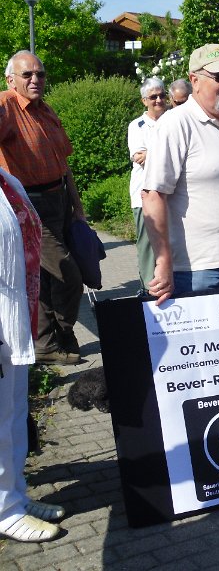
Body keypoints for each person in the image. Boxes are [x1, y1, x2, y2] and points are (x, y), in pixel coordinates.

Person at [142, 44, 219, 306]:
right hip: (201, 270)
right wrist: (163, 262)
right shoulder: (176, 124)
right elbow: (153, 196)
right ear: (194, 80)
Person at [0, 51, 85, 366]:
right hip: (29, 205)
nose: (35, 79)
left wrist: (77, 207)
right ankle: (61, 333)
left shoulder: (46, 110)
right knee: (68, 272)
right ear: (11, 80)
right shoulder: (7, 105)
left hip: (58, 199)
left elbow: (64, 164)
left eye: (40, 74)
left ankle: (50, 342)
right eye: (27, 74)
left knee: (47, 277)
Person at [0, 167, 66, 542]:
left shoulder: (6, 180)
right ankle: (4, 511)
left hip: (15, 319)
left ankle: (16, 497)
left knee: (12, 414)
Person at [128, 77, 167, 292]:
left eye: (162, 95)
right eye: (153, 97)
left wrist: (152, 154)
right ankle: (147, 290)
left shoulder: (173, 120)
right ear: (144, 100)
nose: (159, 100)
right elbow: (140, 157)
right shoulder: (137, 126)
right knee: (147, 245)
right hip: (144, 195)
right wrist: (168, 153)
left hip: (170, 194)